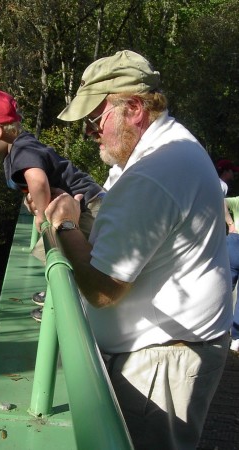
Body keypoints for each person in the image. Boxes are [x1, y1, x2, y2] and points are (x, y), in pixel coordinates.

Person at [40, 50, 233, 449]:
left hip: (163, 364)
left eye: (96, 119)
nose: (89, 132)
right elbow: (124, 236)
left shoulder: (153, 172)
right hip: (167, 354)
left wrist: (64, 224)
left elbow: (103, 290)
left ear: (134, 108)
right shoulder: (163, 151)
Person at [0, 88, 104, 321]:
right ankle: (59, 296)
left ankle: (69, 304)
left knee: (63, 251)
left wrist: (41, 215)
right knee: (49, 251)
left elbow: (38, 180)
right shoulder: (19, 148)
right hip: (80, 203)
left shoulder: (21, 148)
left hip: (87, 204)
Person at [224, 196, 239, 352]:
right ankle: (236, 338)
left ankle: (218, 328)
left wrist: (231, 224)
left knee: (224, 289)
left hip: (234, 241)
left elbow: (221, 201)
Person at [215, 159, 239, 233]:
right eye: (232, 171)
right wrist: (231, 224)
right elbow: (219, 204)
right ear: (225, 171)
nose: (234, 173)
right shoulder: (223, 185)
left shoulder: (213, 182)